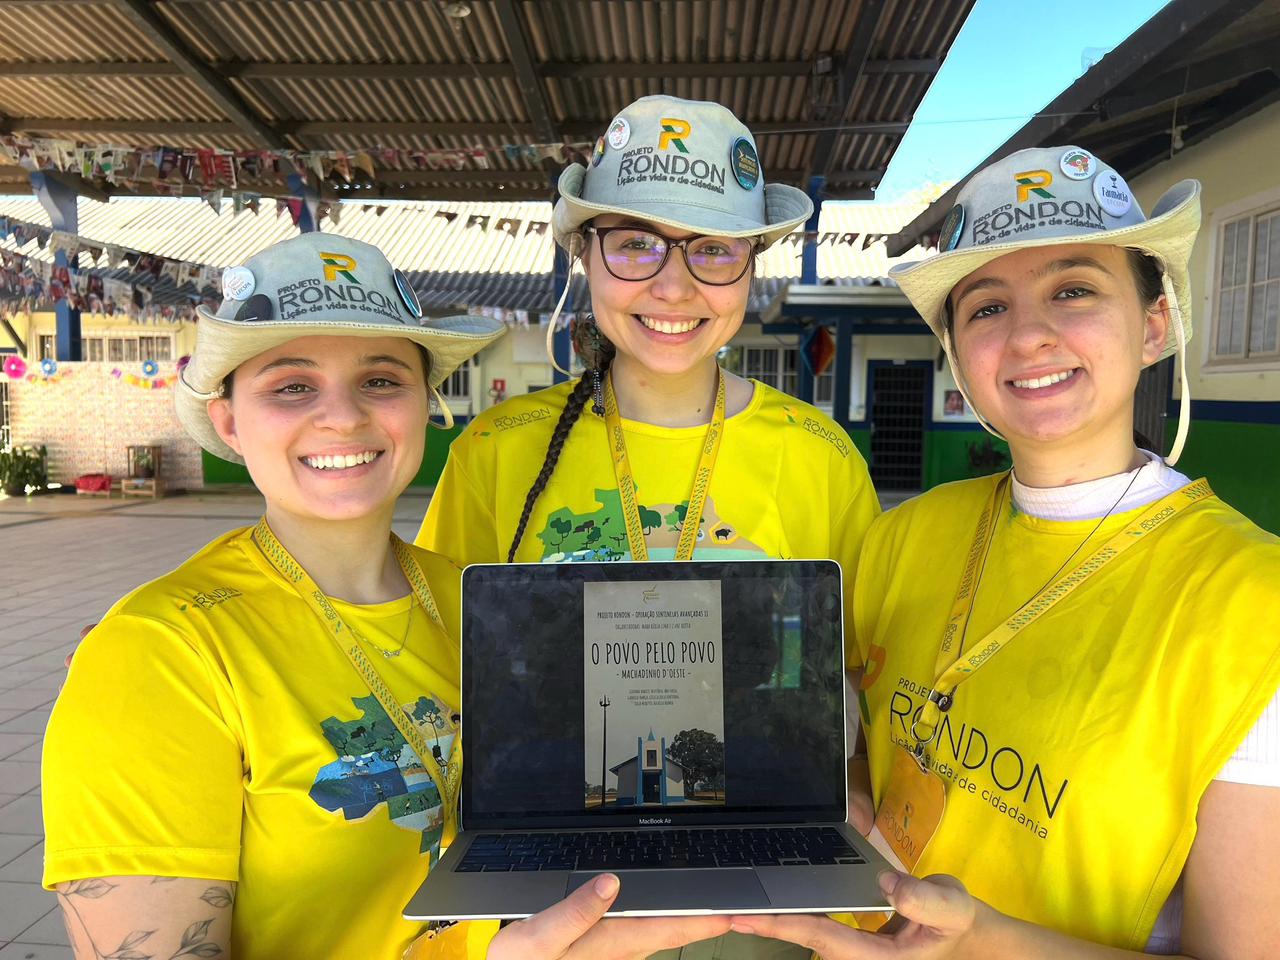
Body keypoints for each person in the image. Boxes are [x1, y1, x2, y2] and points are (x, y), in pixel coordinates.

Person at [41, 233, 730, 960]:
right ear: (230, 422)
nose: (343, 417)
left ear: (423, 405)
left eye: (379, 380)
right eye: (291, 386)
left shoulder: (482, 604)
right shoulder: (161, 656)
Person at [728, 147, 1280, 958]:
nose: (1028, 335)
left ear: (1155, 324)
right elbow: (855, 737)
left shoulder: (1252, 602)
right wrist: (848, 799)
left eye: (1075, 290)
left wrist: (983, 939)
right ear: (956, 351)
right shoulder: (906, 535)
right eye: (986, 308)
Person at [417, 95, 882, 958]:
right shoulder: (497, 451)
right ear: (582, 254)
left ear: (752, 265)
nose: (673, 287)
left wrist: (845, 794)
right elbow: (436, 662)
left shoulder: (819, 456)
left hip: (759, 893)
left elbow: (862, 674)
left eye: (713, 249)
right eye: (635, 243)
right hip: (551, 885)